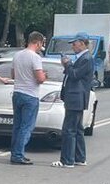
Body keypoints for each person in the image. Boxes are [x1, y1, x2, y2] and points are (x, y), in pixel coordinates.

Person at [53, 33, 94, 168]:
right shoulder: (82, 58)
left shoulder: (86, 58)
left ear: (82, 43)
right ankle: (79, 158)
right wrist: (68, 65)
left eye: (74, 44)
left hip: (76, 97)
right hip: (75, 97)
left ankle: (67, 160)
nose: (73, 46)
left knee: (69, 130)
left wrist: (68, 64)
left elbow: (75, 75)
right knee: (77, 129)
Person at [9, 31, 47, 165]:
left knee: (17, 126)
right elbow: (39, 78)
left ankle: (15, 153)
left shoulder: (17, 55)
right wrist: (44, 75)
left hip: (17, 93)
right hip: (30, 95)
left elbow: (13, 75)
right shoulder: (35, 57)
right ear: (38, 43)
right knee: (27, 127)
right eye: (41, 44)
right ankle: (18, 154)